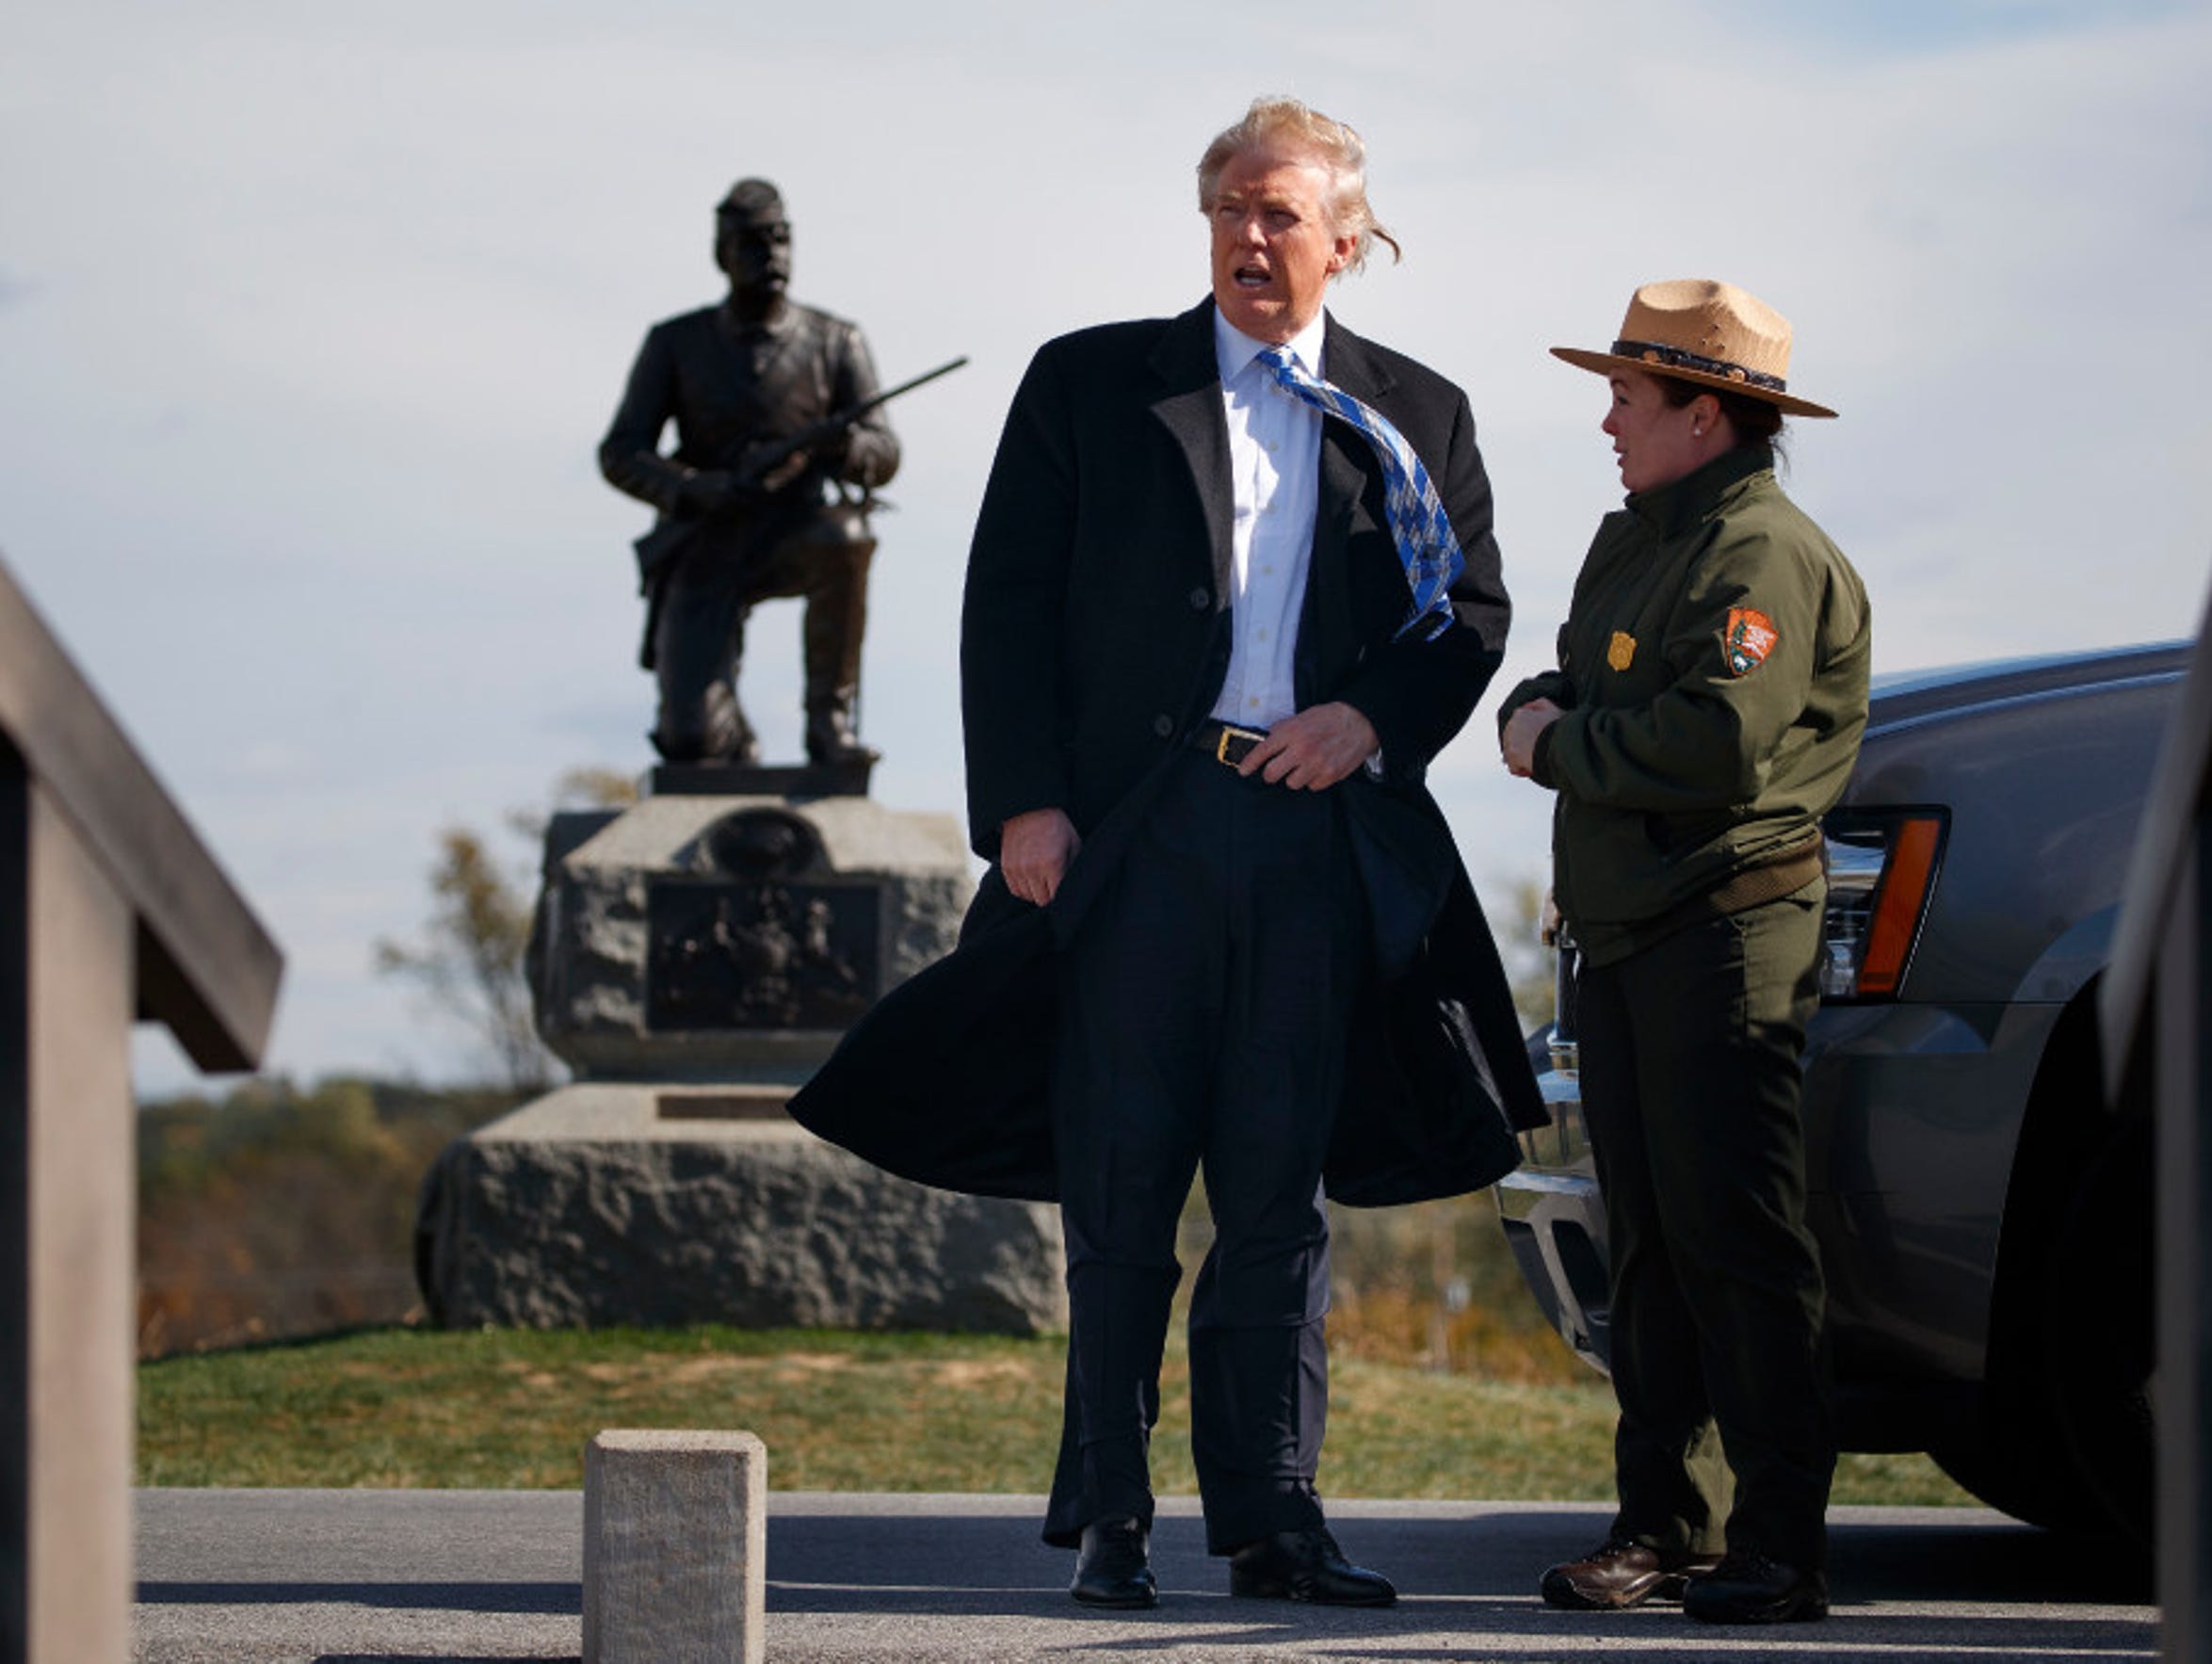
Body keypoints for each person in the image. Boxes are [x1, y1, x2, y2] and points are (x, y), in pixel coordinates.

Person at [787, 95, 1540, 1609]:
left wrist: (1366, 720)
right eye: (1229, 209)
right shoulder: (1091, 382)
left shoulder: (1418, 412)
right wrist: (1024, 803)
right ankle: (1110, 1513)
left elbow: (1466, 614)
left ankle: (1274, 1516)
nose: (1249, 236)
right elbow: (1007, 600)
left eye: (1280, 214)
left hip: (1313, 841)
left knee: (1276, 1195)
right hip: (1136, 839)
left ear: (1345, 242)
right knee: (1121, 1186)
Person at [1498, 279, 1870, 1625]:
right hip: (1626, 936)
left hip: (1723, 933)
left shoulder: (1759, 552)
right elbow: (1572, 682)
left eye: (1626, 395)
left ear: (1702, 414)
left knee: (1736, 1237)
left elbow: (1715, 741)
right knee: (1650, 1241)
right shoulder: (1643, 540)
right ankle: (1660, 1527)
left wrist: (1556, 744)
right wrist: (1542, 708)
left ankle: (1778, 1543)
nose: (1608, 420)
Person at [599, 178, 898, 767]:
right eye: (754, 243)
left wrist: (846, 447)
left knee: (847, 538)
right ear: (723, 254)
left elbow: (885, 452)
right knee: (691, 744)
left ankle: (829, 724)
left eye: (782, 240)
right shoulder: (675, 342)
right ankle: (735, 742)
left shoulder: (837, 341)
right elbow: (621, 451)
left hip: (796, 532)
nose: (772, 256)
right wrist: (692, 488)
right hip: (706, 540)